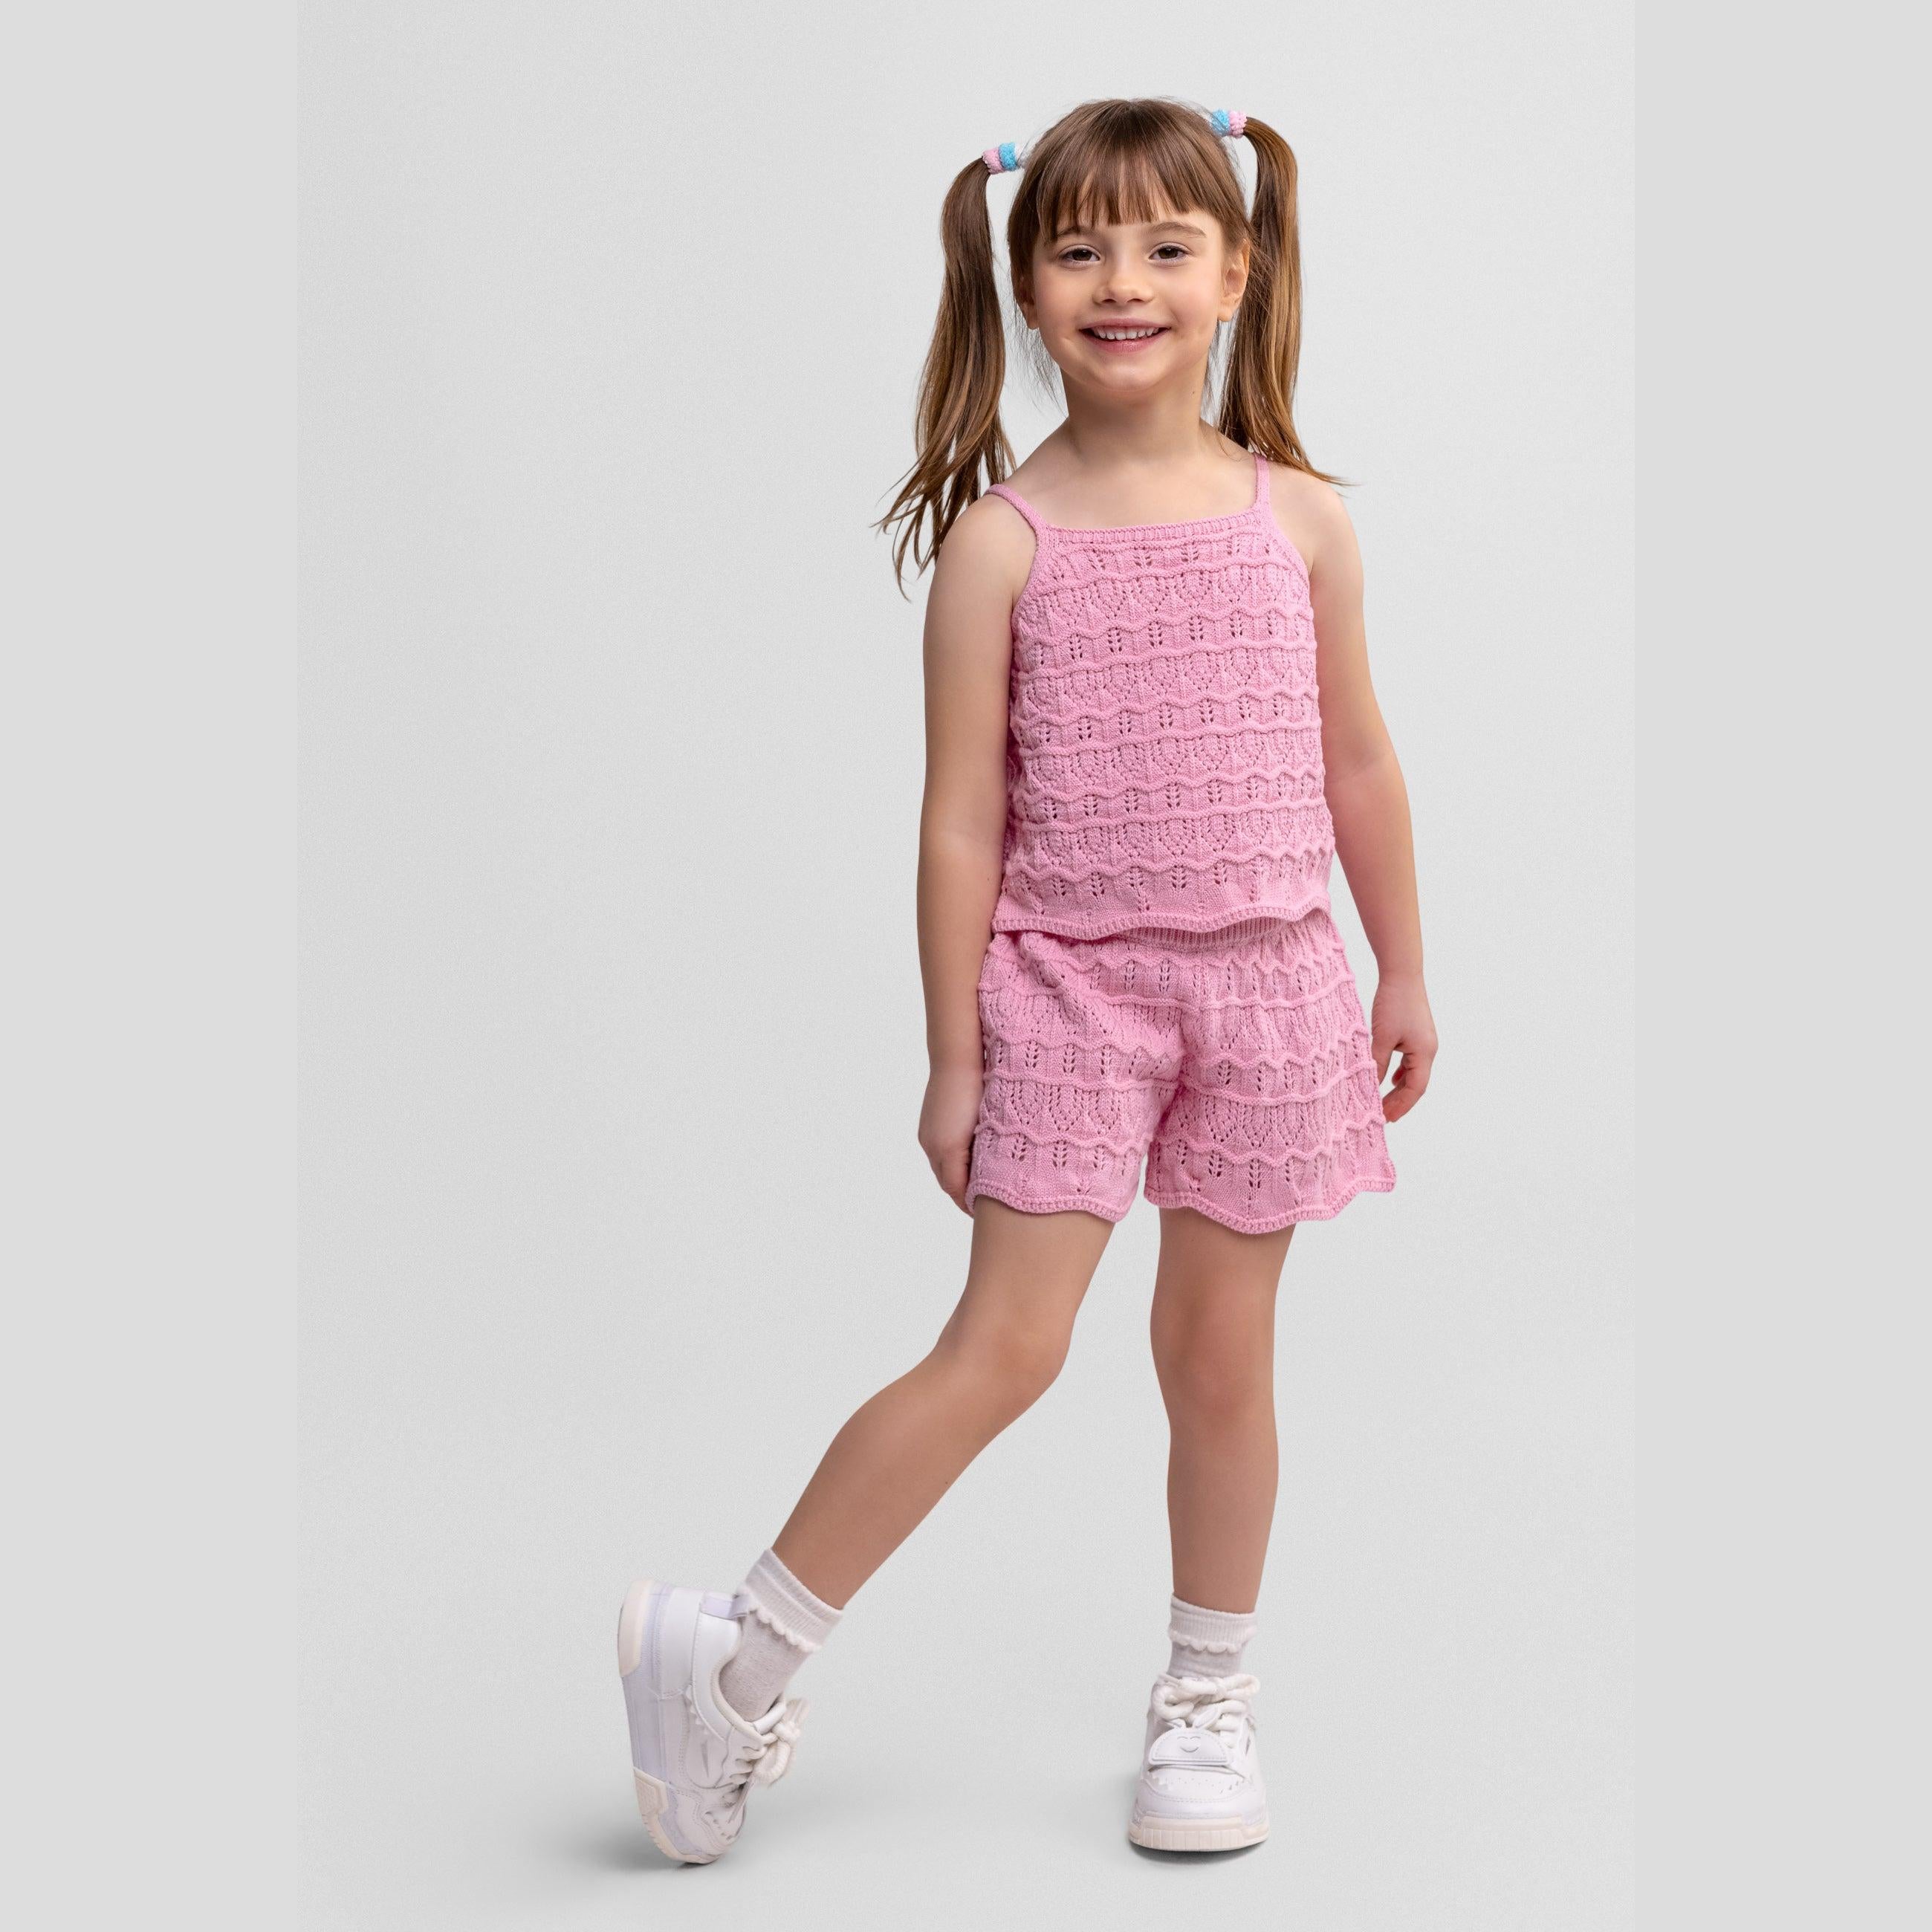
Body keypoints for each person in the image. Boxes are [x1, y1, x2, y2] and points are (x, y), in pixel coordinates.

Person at [617, 94, 1436, 1864]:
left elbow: (1358, 761)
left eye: (1163, 246)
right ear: (1023, 284)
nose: (1120, 282)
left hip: (1272, 987)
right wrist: (953, 1053)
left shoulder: (1298, 520)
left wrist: (1402, 966)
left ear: (1236, 272)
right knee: (1004, 1347)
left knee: (1219, 1358)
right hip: (1067, 992)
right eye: (1077, 250)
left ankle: (1205, 1700)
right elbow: (960, 822)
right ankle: (731, 1660)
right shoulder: (1004, 543)